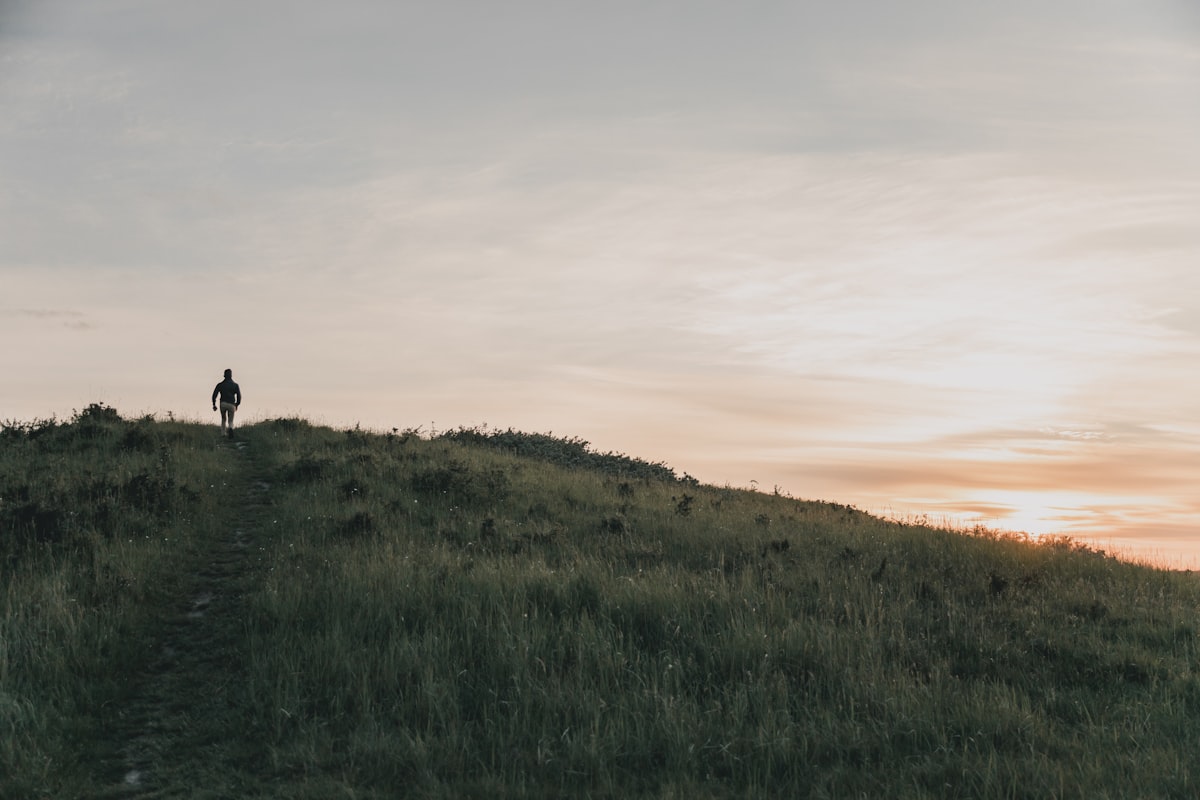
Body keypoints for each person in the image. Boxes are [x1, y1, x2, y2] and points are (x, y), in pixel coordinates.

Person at [211, 368, 242, 438]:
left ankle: (223, 433)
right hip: (232, 404)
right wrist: (237, 404)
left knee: (223, 418)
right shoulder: (235, 385)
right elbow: (239, 396)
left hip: (223, 403)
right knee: (230, 419)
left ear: (224, 375)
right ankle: (230, 428)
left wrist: (214, 404)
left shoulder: (220, 384)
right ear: (231, 376)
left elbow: (214, 395)